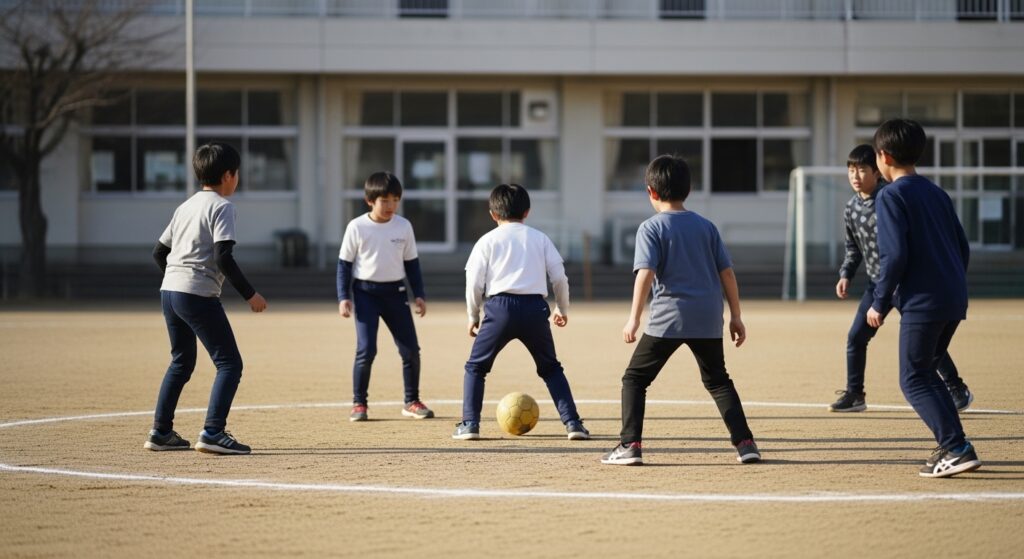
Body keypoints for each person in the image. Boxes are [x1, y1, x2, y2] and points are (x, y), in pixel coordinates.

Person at [602, 155, 759, 466]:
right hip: (708, 316)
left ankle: (629, 445)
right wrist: (736, 316)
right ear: (689, 189)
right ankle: (745, 444)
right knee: (718, 381)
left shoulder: (650, 228)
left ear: (651, 191)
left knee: (634, 379)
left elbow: (645, 274)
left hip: (669, 318)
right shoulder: (707, 227)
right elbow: (727, 273)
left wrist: (634, 319)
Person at [867, 119, 980, 478]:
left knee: (913, 377)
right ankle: (953, 444)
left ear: (882, 156)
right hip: (952, 297)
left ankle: (957, 447)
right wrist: (952, 282)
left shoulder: (891, 195)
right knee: (926, 371)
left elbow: (895, 255)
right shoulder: (936, 192)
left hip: (924, 301)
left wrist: (880, 302)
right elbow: (962, 247)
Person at [831, 144, 973, 413]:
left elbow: (899, 251)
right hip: (878, 284)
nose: (856, 176)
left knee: (924, 344)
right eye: (851, 170)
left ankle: (956, 388)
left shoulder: (891, 197)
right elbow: (853, 248)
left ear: (878, 171)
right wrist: (846, 274)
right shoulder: (851, 208)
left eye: (862, 169)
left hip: (908, 284)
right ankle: (855, 393)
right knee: (856, 338)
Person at [146, 142, 267, 456]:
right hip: (196, 294)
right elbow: (223, 257)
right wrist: (250, 294)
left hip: (170, 292)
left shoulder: (185, 206)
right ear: (228, 175)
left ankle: (160, 432)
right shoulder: (222, 206)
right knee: (229, 364)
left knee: (181, 362)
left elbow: (160, 252)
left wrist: (176, 276)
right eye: (236, 173)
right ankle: (213, 431)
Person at [454, 183, 589, 441]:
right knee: (550, 368)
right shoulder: (540, 238)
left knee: (476, 367)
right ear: (527, 212)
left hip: (499, 309)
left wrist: (473, 315)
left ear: (493, 214)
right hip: (535, 309)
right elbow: (560, 278)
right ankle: (573, 424)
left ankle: (470, 424)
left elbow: (474, 282)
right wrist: (562, 307)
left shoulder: (487, 241)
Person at [337, 171, 433, 422]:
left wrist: (419, 295)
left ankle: (411, 401)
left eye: (395, 200)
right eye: (384, 200)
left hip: (395, 293)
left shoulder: (404, 226)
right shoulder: (357, 227)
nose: (390, 205)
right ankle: (359, 404)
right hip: (365, 294)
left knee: (411, 350)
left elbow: (412, 264)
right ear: (370, 200)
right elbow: (344, 265)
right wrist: (343, 297)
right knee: (366, 350)